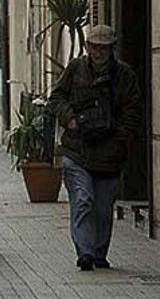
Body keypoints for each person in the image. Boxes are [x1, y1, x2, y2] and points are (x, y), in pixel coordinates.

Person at [47, 25, 141, 271]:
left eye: (104, 47)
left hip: (110, 153)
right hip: (78, 150)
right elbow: (56, 98)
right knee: (83, 200)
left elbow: (133, 111)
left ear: (112, 49)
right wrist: (69, 118)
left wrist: (120, 138)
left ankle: (99, 253)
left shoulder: (125, 75)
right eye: (94, 47)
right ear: (87, 47)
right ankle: (85, 253)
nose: (98, 52)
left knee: (102, 206)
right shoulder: (76, 69)